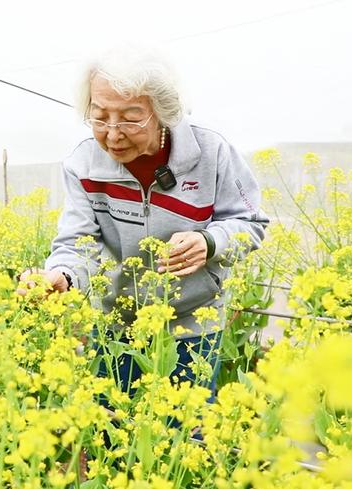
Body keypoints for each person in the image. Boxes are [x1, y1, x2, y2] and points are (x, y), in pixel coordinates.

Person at [18, 46, 268, 401]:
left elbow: (251, 223)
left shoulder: (211, 153)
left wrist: (210, 242)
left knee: (183, 440)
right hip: (117, 324)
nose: (114, 134)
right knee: (113, 431)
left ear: (162, 112)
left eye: (131, 118)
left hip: (192, 322)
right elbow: (77, 243)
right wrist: (64, 275)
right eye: (100, 117)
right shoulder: (83, 164)